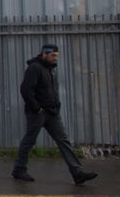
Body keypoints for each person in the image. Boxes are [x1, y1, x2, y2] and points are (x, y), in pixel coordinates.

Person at [12, 43, 97, 185]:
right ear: (44, 54)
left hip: (52, 113)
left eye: (56, 56)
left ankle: (77, 173)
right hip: (38, 113)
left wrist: (56, 105)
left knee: (63, 141)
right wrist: (36, 108)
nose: (55, 58)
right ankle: (19, 169)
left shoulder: (50, 69)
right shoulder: (35, 68)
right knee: (29, 140)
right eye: (52, 55)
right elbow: (26, 89)